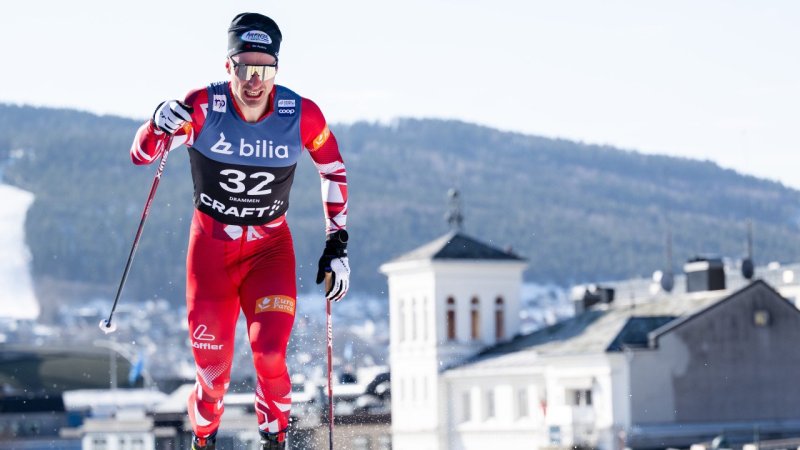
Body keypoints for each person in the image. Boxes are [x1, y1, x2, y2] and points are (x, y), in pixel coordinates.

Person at [130, 12, 350, 450]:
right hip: (211, 253)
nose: (255, 80)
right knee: (214, 378)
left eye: (264, 69)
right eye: (245, 67)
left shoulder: (300, 114)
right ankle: (203, 437)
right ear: (227, 66)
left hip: (269, 251)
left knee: (269, 353)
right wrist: (157, 122)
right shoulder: (203, 107)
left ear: (276, 70)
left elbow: (333, 168)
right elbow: (142, 155)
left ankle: (275, 438)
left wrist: (337, 243)